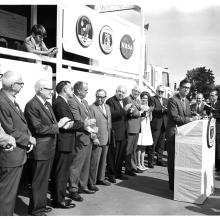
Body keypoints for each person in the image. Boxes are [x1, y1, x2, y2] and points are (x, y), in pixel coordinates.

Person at [24, 79, 70, 216]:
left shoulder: (47, 104)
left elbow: (51, 123)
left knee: (44, 180)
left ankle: (41, 205)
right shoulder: (32, 105)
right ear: (40, 90)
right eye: (48, 89)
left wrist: (61, 125)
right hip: (41, 149)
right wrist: (59, 126)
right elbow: (38, 128)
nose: (51, 91)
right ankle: (36, 209)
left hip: (49, 148)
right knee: (38, 180)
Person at [0, 70, 36, 216]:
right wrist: (28, 139)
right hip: (10, 155)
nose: (22, 86)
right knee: (6, 195)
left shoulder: (9, 98)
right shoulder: (2, 101)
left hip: (16, 153)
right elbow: (10, 129)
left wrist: (28, 136)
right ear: (13, 85)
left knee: (10, 193)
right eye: (20, 83)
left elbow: (21, 124)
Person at [51, 81, 87, 209]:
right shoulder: (60, 103)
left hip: (66, 143)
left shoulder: (62, 102)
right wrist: (84, 125)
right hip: (63, 143)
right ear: (65, 90)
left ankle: (59, 197)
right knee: (61, 173)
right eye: (71, 89)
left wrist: (78, 124)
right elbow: (67, 125)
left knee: (62, 172)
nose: (73, 90)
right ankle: (58, 200)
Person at [166, 79, 199, 191]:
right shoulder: (172, 100)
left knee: (181, 160)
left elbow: (187, 115)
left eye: (188, 88)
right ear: (179, 87)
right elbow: (175, 117)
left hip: (184, 134)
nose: (186, 89)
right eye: (184, 87)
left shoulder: (187, 101)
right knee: (172, 160)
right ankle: (172, 184)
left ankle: (179, 182)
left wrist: (194, 115)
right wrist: (190, 119)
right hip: (173, 134)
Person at [68, 81, 97, 199]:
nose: (87, 92)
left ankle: (83, 186)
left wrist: (94, 133)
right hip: (79, 137)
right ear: (79, 90)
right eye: (85, 90)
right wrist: (90, 128)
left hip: (88, 136)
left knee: (86, 163)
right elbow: (77, 119)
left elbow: (91, 118)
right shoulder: (72, 102)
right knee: (76, 164)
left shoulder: (84, 102)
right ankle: (73, 189)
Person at [106, 85, 130, 182]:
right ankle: (111, 175)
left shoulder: (125, 101)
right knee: (113, 154)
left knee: (121, 154)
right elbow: (112, 114)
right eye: (119, 91)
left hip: (124, 132)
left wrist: (130, 112)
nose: (121, 94)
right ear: (116, 91)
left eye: (123, 92)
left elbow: (125, 116)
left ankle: (118, 173)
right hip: (115, 132)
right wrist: (124, 110)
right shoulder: (110, 101)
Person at [89, 89, 112, 189]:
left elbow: (108, 122)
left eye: (102, 97)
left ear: (105, 97)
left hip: (106, 138)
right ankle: (91, 182)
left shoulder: (107, 107)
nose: (99, 98)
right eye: (98, 96)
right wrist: (94, 138)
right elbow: (92, 124)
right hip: (98, 139)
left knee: (103, 161)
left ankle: (101, 178)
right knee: (95, 162)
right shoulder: (92, 108)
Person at [124, 85, 142, 176]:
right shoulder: (127, 99)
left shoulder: (138, 100)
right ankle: (128, 168)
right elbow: (133, 112)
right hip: (130, 127)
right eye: (136, 91)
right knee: (129, 149)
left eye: (138, 92)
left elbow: (138, 111)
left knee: (134, 149)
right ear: (132, 90)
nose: (137, 93)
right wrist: (141, 112)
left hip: (137, 127)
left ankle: (133, 167)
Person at [149, 85, 168, 168]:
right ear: (156, 91)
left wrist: (167, 110)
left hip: (164, 125)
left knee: (161, 144)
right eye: (159, 91)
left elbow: (169, 110)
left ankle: (159, 160)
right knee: (153, 143)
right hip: (156, 124)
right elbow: (152, 110)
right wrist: (162, 110)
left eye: (162, 92)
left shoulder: (166, 100)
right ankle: (150, 161)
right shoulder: (152, 99)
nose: (160, 93)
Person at [136, 91, 153, 171]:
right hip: (141, 127)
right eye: (143, 98)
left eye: (146, 98)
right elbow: (140, 119)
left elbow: (151, 119)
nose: (145, 100)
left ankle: (142, 164)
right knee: (139, 146)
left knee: (144, 147)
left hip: (147, 127)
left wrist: (150, 112)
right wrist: (145, 113)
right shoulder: (139, 106)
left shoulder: (148, 106)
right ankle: (138, 164)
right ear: (141, 98)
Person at [206, 90, 220, 171]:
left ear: (216, 96)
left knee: (218, 147)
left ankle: (218, 166)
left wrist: (213, 115)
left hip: (218, 128)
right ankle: (214, 164)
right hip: (211, 128)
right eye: (210, 95)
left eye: (212, 95)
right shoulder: (210, 104)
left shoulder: (219, 103)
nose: (211, 97)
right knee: (213, 147)